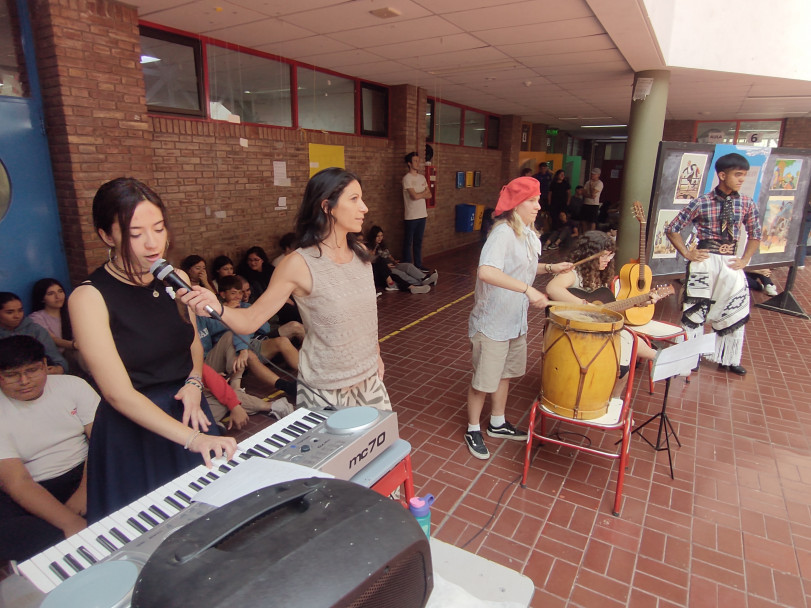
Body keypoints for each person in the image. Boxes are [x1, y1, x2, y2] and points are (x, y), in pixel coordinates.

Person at [68, 177, 236, 522]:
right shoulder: (89, 297)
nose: (152, 243)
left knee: (207, 518)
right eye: (135, 233)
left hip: (187, 407)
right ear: (106, 236)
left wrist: (193, 383)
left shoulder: (174, 277)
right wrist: (193, 440)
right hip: (134, 428)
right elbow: (117, 394)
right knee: (148, 534)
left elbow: (190, 342)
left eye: (159, 228)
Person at [182, 167, 390, 412]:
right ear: (327, 206)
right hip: (326, 390)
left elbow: (366, 318)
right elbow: (251, 319)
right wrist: (216, 306)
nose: (364, 207)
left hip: (369, 379)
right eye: (354, 199)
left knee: (381, 447)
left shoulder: (361, 255)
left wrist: (375, 353)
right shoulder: (299, 264)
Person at [464, 176, 573, 460]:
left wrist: (551, 266)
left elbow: (522, 267)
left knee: (505, 374)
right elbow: (487, 271)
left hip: (514, 320)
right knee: (484, 380)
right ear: (516, 204)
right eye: (532, 201)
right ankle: (473, 427)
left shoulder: (526, 232)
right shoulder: (502, 234)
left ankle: (497, 423)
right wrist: (528, 291)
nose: (539, 206)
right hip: (493, 322)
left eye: (538, 200)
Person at [0, 335, 99, 561]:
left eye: (32, 371)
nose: (24, 381)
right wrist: (69, 520)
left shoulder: (73, 386)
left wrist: (84, 492)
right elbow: (17, 482)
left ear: (46, 365)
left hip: (86, 469)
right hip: (35, 485)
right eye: (12, 375)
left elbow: (100, 441)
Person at [666, 153, 762, 376]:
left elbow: (756, 234)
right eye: (737, 175)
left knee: (735, 307)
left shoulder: (747, 203)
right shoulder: (701, 202)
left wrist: (745, 259)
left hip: (731, 262)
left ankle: (728, 357)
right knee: (695, 308)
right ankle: (690, 355)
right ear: (722, 175)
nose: (741, 180)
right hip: (705, 261)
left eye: (744, 176)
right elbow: (672, 228)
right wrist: (687, 253)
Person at [545, 231, 658, 364]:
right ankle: (661, 359)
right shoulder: (573, 273)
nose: (608, 260)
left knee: (628, 345)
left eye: (611, 255)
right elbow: (552, 288)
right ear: (588, 254)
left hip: (595, 330)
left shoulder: (600, 277)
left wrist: (639, 302)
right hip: (575, 331)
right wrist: (586, 306)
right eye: (604, 256)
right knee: (628, 339)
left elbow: (607, 308)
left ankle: (660, 358)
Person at [197, 275, 298, 399]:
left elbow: (265, 328)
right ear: (223, 295)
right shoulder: (212, 312)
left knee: (282, 341)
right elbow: (212, 331)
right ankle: (286, 386)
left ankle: (307, 378)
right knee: (249, 355)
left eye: (240, 293)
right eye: (233, 293)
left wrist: (242, 314)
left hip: (250, 341)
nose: (238, 297)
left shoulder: (244, 306)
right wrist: (227, 313)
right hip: (230, 350)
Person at [0, 292, 68, 374]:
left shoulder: (36, 330)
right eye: (10, 312)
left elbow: (59, 361)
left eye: (20, 310)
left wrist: (58, 369)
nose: (17, 316)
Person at [28, 278, 84, 372]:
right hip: (55, 358)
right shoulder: (37, 317)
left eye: (60, 291)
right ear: (42, 298)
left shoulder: (71, 312)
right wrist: (75, 346)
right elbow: (52, 339)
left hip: (75, 352)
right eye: (51, 294)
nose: (58, 296)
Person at [367, 225, 436, 294]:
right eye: (378, 236)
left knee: (408, 266)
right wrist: (386, 265)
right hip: (386, 269)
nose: (380, 238)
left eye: (381, 236)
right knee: (401, 274)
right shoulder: (369, 247)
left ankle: (425, 278)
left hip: (392, 264)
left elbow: (388, 255)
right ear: (373, 236)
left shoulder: (381, 245)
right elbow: (374, 261)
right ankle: (419, 283)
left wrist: (394, 261)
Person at [402, 152, 431, 270]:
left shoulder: (422, 177)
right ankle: (408, 265)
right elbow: (414, 196)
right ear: (409, 163)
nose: (418, 163)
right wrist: (422, 193)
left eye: (418, 161)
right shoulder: (406, 179)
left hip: (422, 214)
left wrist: (421, 194)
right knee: (408, 241)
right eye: (415, 161)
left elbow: (429, 195)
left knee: (418, 241)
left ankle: (418, 264)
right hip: (411, 215)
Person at [581, 168, 604, 233]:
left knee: (592, 221)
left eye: (594, 174)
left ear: (598, 175)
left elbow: (593, 193)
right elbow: (584, 193)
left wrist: (591, 186)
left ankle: (591, 235)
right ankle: (584, 233)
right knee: (584, 220)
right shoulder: (587, 182)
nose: (592, 175)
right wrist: (590, 196)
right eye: (592, 174)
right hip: (586, 203)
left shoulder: (599, 183)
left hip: (594, 204)